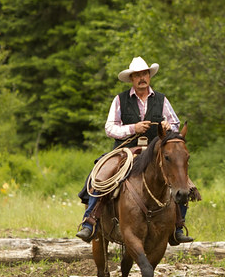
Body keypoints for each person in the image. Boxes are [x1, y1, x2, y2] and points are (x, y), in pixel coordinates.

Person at [76, 56, 194, 245]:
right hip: (126, 150)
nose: (142, 78)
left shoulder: (162, 100)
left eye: (145, 74)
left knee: (183, 180)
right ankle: (90, 222)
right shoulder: (120, 99)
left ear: (149, 76)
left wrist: (168, 127)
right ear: (131, 78)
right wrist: (133, 128)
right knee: (101, 173)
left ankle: (178, 227)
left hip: (155, 151)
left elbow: (176, 125)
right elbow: (110, 128)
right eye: (137, 75)